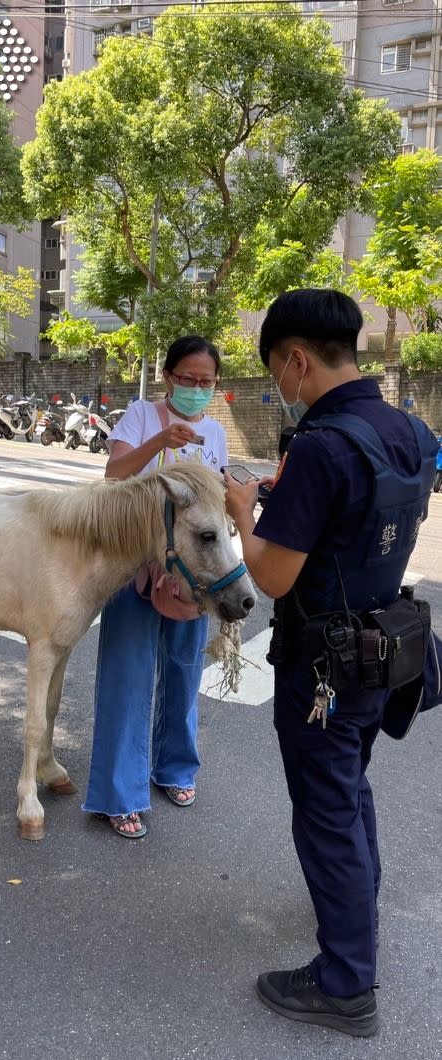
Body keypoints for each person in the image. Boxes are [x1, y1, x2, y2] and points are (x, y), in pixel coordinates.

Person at [225, 289, 437, 1037]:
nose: (278, 387)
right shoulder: (410, 429)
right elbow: (371, 513)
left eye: (276, 372)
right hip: (388, 647)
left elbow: (274, 577)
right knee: (347, 787)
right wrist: (299, 505)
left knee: (325, 808)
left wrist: (246, 515)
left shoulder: (319, 446)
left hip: (324, 662)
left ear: (297, 359)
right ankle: (358, 900)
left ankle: (346, 984)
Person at [82, 335, 228, 838]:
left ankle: (175, 769)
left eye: (205, 382)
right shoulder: (141, 416)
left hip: (192, 575)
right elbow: (113, 474)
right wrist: (158, 445)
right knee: (127, 675)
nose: (195, 388)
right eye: (187, 378)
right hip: (134, 565)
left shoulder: (215, 432)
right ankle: (119, 794)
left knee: (185, 672)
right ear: (168, 377)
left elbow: (215, 500)